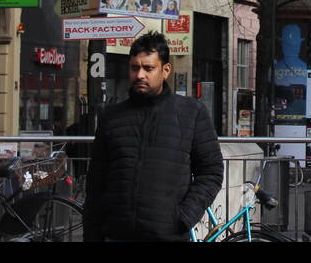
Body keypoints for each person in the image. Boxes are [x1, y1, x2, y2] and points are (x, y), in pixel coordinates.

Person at [83, 31, 224, 241]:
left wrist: (184, 216)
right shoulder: (111, 117)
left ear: (165, 70)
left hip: (168, 235)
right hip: (117, 234)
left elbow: (211, 172)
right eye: (135, 67)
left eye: (148, 68)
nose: (140, 75)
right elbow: (95, 185)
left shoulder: (191, 113)